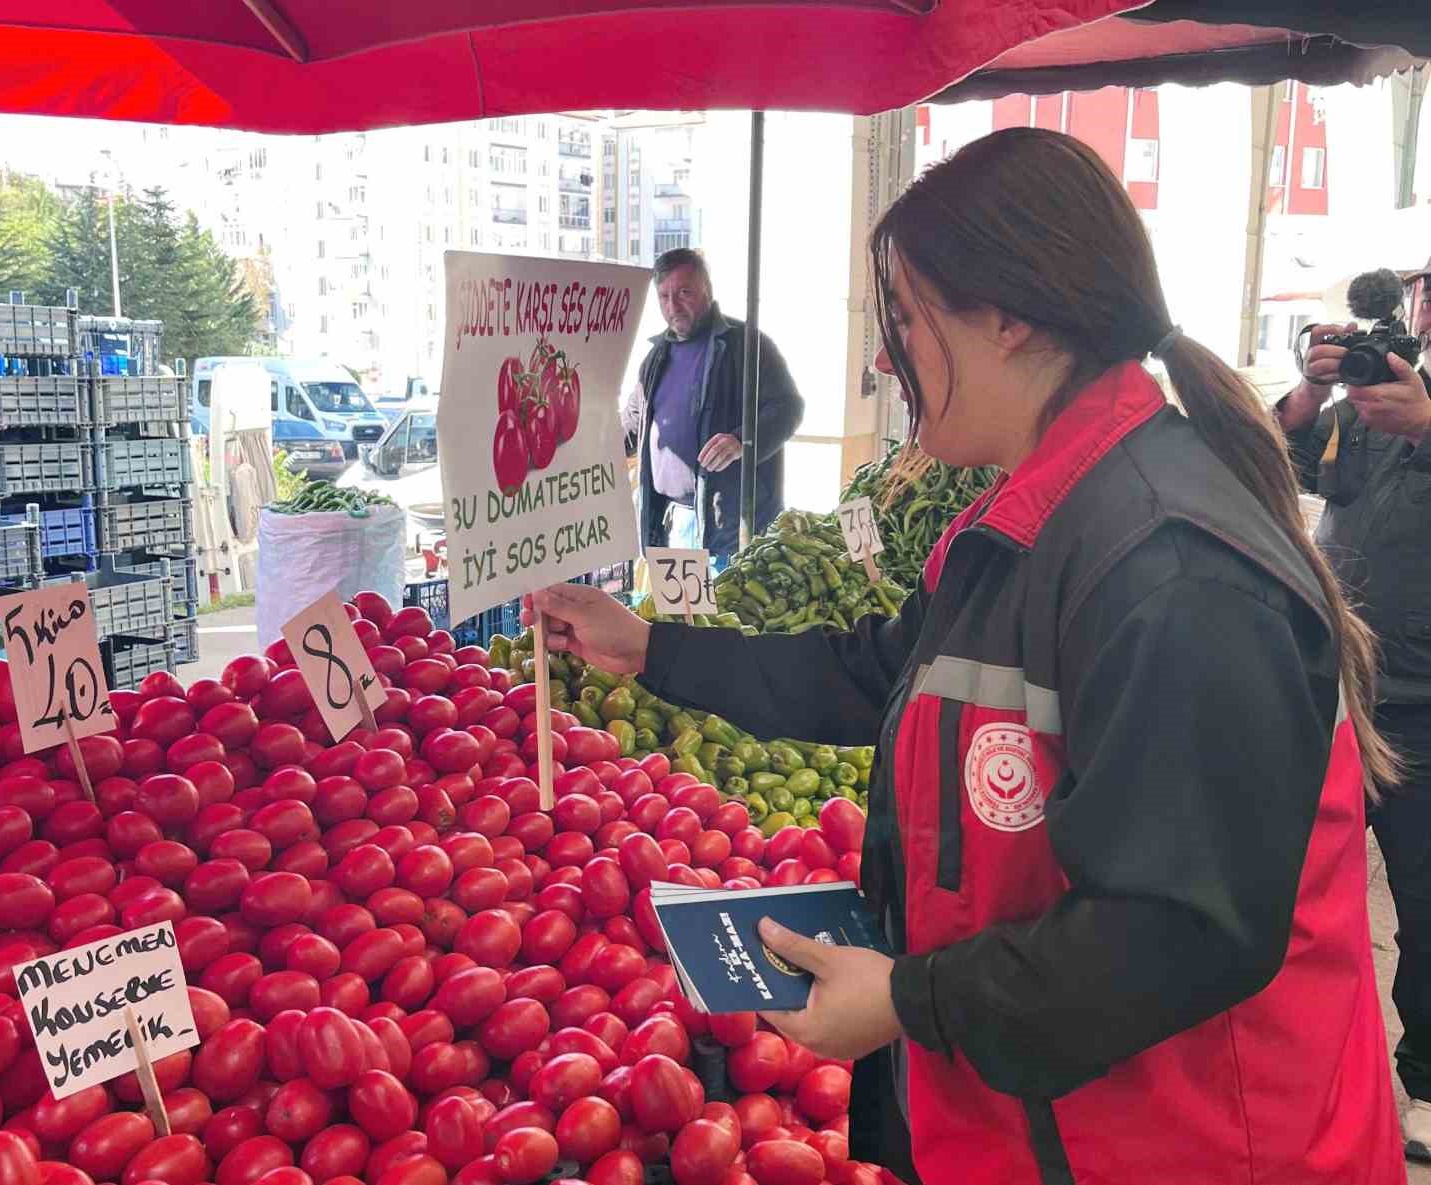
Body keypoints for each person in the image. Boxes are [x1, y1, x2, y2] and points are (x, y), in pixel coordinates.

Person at [529, 127, 1403, 1185]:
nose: (886, 356)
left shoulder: (1168, 572)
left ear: (1010, 317)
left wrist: (907, 1000)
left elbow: (1176, 930)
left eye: (905, 316)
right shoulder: (1042, 515)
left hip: (1190, 1149)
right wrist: (651, 646)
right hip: (1047, 1131)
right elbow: (875, 672)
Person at [1280, 254, 1431, 1161]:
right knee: (1301, 891)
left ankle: (1426, 1080)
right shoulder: (1372, 400)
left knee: (1426, 903)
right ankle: (1308, 1073)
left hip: (1428, 710)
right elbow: (1293, 464)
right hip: (1340, 692)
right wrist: (1307, 390)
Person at [622, 248, 803, 565]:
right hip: (674, 525)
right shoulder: (654, 359)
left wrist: (741, 440)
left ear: (707, 289)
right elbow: (629, 429)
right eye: (664, 297)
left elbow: (788, 407)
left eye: (684, 293)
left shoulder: (747, 345)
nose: (673, 306)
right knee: (676, 616)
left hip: (732, 529)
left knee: (727, 614)